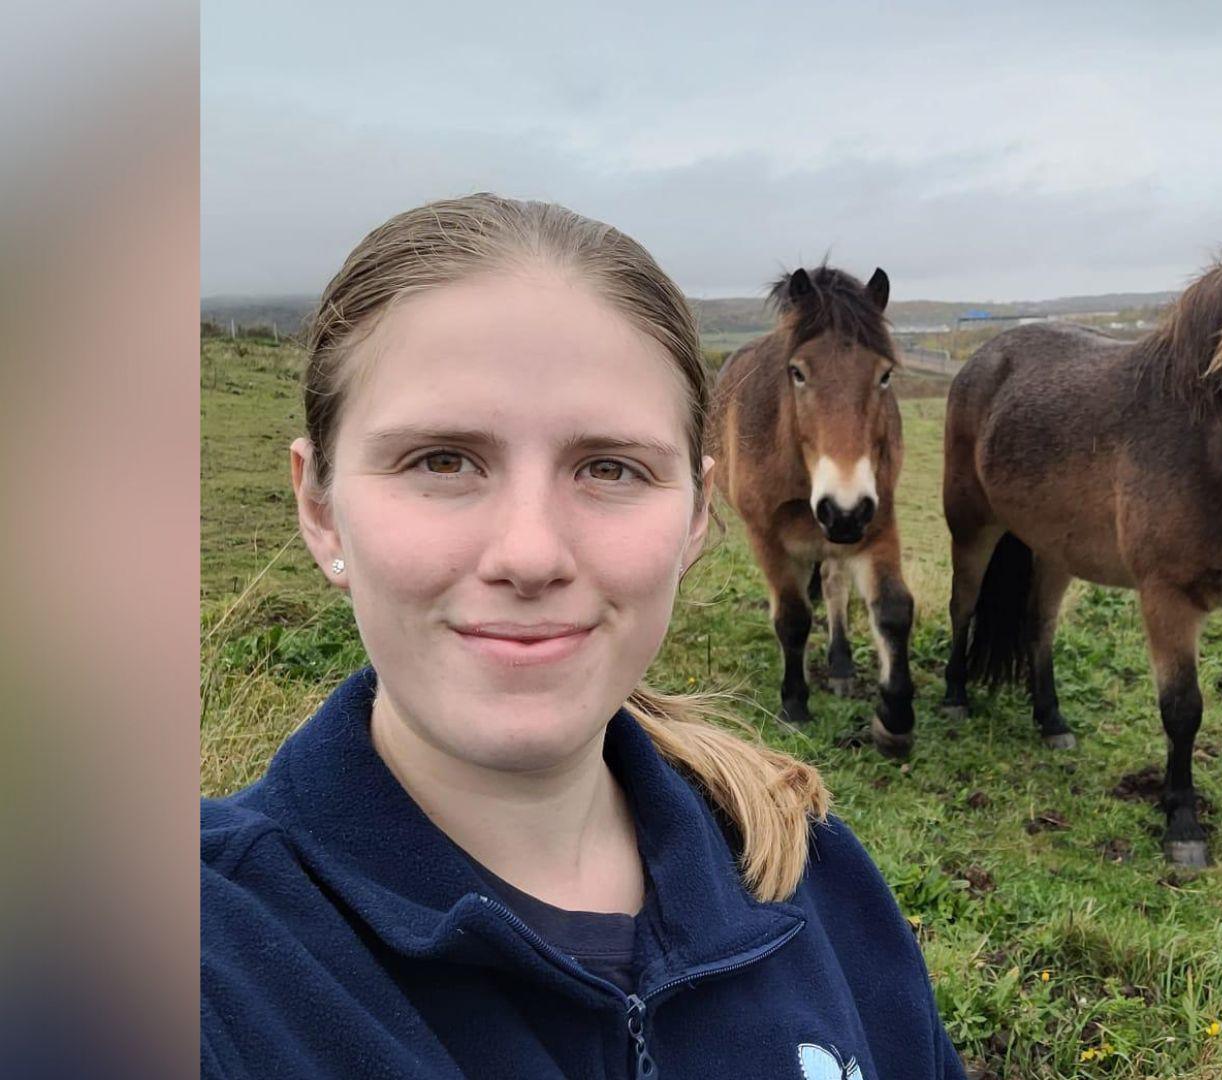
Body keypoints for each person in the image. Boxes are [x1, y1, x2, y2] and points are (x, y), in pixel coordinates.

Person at [200, 194, 969, 1079]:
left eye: (610, 467)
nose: (530, 555)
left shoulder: (818, 873)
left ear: (694, 517)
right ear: (318, 506)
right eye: (441, 460)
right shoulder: (205, 958)